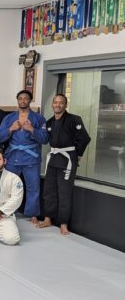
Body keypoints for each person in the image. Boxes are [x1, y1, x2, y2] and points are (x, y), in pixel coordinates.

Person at [38, 93, 91, 235]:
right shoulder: (49, 122)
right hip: (54, 158)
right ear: (52, 104)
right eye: (55, 102)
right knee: (49, 190)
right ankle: (48, 218)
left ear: (65, 105)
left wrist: (78, 154)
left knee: (64, 192)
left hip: (67, 159)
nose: (58, 104)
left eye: (61, 102)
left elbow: (85, 138)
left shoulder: (74, 119)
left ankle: (63, 223)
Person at [0, 90, 49, 224]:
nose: (23, 101)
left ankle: (33, 214)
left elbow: (45, 139)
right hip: (13, 156)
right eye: (20, 98)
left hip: (31, 158)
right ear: (17, 100)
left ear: (30, 101)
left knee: (33, 187)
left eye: (26, 98)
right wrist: (11, 129)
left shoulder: (39, 118)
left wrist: (32, 130)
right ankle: (7, 210)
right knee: (8, 186)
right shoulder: (9, 118)